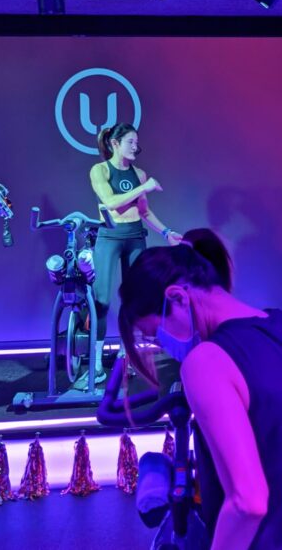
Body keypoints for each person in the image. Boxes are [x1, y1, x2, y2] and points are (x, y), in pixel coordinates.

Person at [118, 230, 282, 550]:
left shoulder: (205, 362)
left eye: (155, 332)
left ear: (177, 298)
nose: (162, 345)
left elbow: (248, 503)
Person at [85, 123, 183, 389]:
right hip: (109, 237)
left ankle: (126, 354)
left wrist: (167, 232)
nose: (135, 147)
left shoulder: (139, 174)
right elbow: (111, 203)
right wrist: (144, 188)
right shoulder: (100, 170)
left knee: (133, 299)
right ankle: (96, 362)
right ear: (115, 143)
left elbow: (144, 211)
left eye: (136, 142)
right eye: (130, 142)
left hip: (135, 237)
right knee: (102, 299)